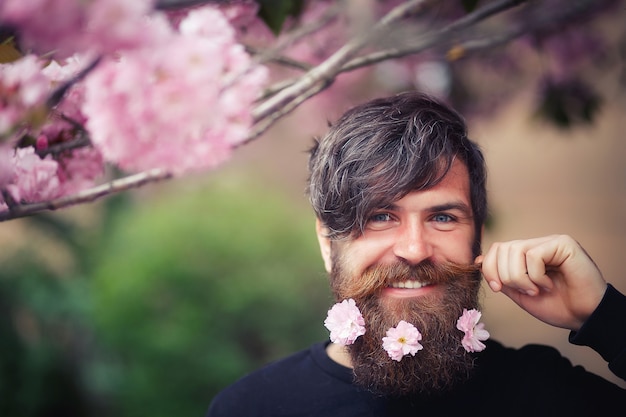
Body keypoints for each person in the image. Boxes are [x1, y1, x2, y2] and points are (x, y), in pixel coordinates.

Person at [206, 92, 626, 416]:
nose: (414, 250)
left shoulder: (543, 395)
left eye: (442, 217)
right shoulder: (251, 407)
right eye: (379, 216)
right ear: (326, 242)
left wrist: (605, 316)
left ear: (477, 237)